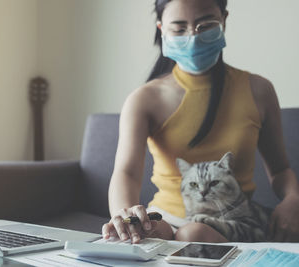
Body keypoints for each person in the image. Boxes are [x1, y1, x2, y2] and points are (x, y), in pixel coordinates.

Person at [102, 0, 299, 244]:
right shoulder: (144, 99)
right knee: (150, 234)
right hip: (164, 218)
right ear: (162, 28)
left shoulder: (259, 90)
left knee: (193, 234)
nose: (192, 36)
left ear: (224, 20)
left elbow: (280, 170)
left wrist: (293, 199)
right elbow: (127, 172)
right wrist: (125, 216)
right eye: (179, 28)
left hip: (232, 223)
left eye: (205, 25)